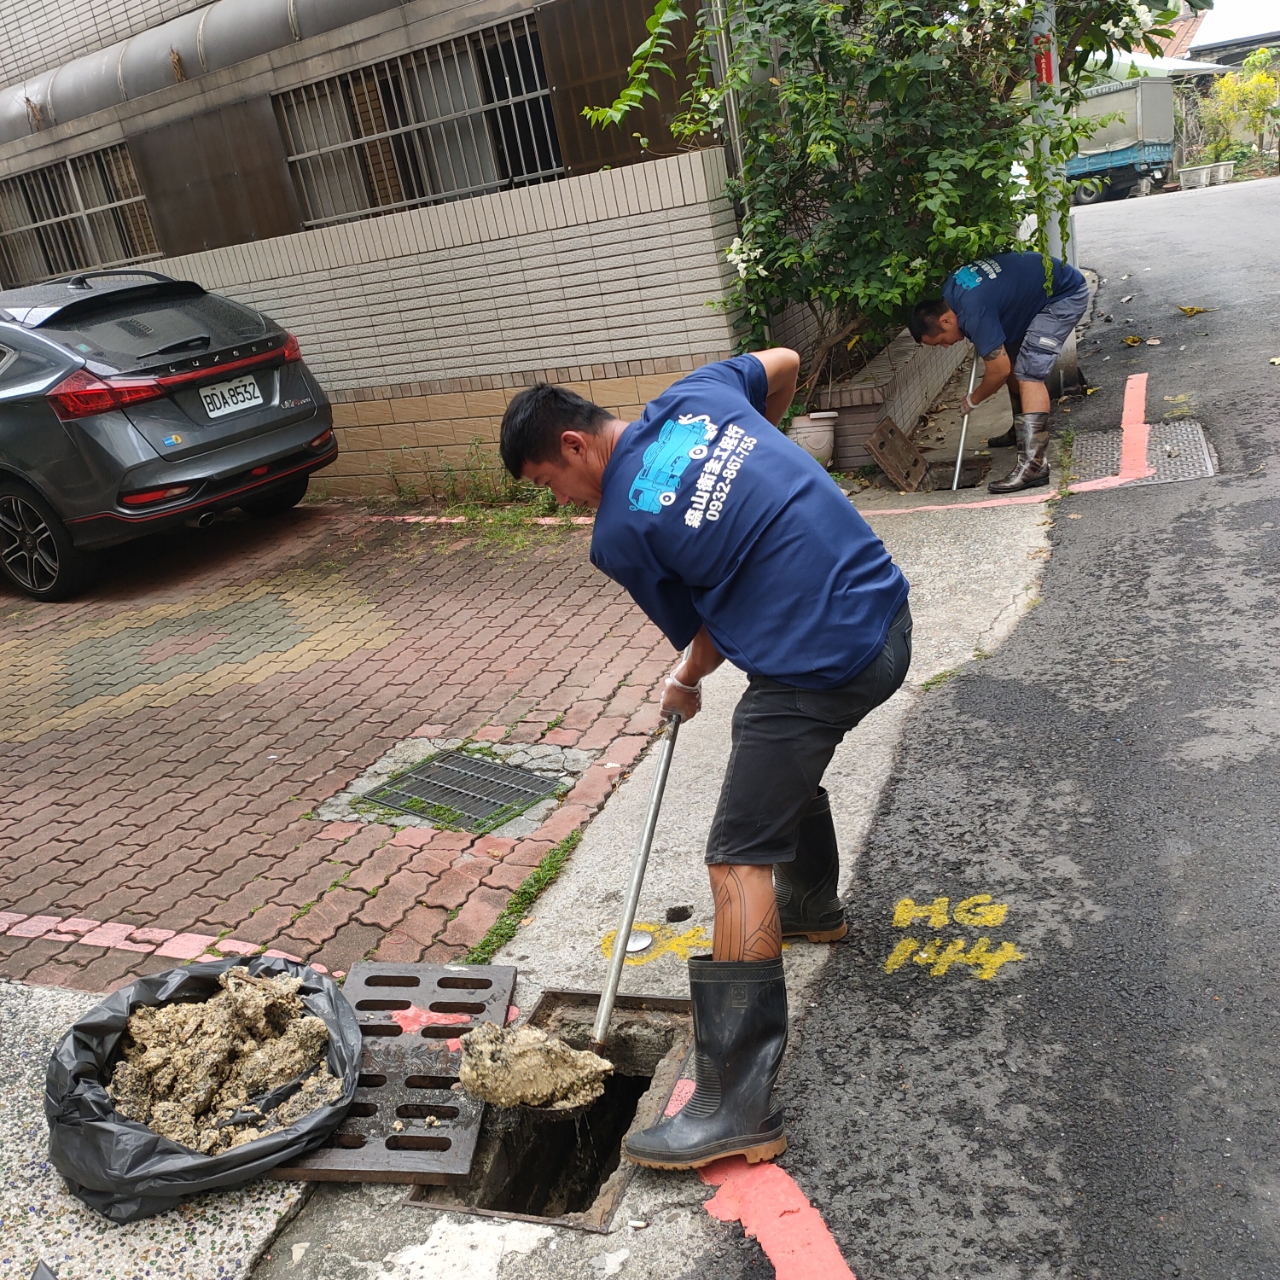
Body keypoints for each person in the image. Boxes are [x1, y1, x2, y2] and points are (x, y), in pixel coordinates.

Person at [499, 349, 911, 1170]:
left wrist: (683, 678)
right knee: (765, 761)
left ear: (576, 445)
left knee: (733, 856)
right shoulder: (701, 395)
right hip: (886, 613)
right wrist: (767, 445)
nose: (562, 502)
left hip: (820, 664)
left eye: (550, 482)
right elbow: (788, 361)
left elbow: (705, 635)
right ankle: (812, 905)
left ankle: (735, 1104)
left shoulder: (621, 532)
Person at [909, 251, 1089, 493]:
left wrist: (973, 400)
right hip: (1030, 299)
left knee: (1028, 373)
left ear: (945, 322)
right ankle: (1021, 431)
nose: (945, 346)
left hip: (1063, 295)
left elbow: (998, 371)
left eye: (940, 341)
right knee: (1014, 358)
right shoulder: (952, 293)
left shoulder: (972, 311)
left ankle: (1035, 466)